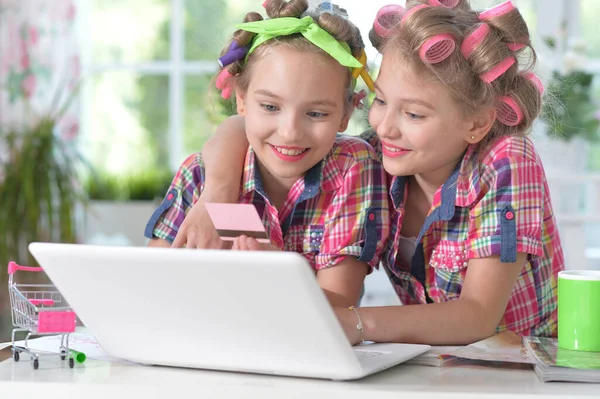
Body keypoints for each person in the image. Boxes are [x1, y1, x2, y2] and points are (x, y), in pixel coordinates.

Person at [173, 0, 565, 345]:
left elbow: (478, 315)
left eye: (413, 114)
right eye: (380, 100)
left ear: (476, 124)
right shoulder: (378, 157)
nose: (385, 126)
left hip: (533, 368)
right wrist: (218, 193)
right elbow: (241, 127)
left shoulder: (507, 161)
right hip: (443, 367)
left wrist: (351, 323)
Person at [144, 0, 390, 308]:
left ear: (345, 114)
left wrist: (282, 272)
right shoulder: (200, 174)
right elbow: (150, 290)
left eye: (315, 113)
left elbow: (341, 306)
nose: (289, 132)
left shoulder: (351, 167)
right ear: (242, 99)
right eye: (270, 107)